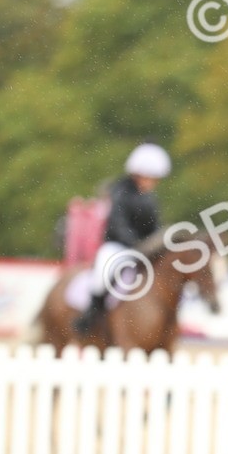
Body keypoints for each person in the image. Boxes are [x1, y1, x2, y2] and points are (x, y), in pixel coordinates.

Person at [72, 142, 172, 334]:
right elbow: (118, 224)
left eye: (155, 178)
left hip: (142, 250)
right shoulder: (120, 192)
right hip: (117, 246)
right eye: (149, 177)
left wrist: (159, 241)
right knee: (104, 272)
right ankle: (91, 314)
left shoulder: (149, 198)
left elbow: (153, 226)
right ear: (137, 174)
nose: (152, 182)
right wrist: (134, 244)